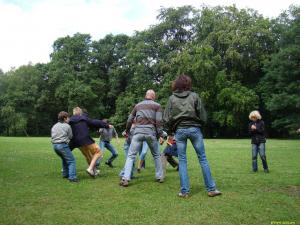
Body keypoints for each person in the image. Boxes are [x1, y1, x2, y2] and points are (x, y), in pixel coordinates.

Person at [163, 74, 221, 198]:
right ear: (188, 84)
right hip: (195, 129)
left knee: (182, 161)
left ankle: (184, 192)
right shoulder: (194, 96)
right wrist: (200, 125)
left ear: (176, 84)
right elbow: (203, 116)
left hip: (180, 131)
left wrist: (170, 132)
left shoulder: (172, 98)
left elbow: (166, 118)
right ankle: (211, 189)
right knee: (203, 158)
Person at [120, 89, 165, 187]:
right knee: (156, 155)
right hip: (150, 133)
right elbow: (159, 122)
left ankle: (126, 178)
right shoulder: (157, 106)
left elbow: (129, 119)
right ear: (154, 96)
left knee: (131, 156)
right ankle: (160, 176)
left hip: (138, 132)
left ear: (146, 95)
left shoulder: (138, 105)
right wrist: (160, 135)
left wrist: (127, 131)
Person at [69, 107, 111, 177]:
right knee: (98, 152)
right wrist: (107, 125)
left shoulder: (70, 120)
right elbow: (95, 122)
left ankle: (94, 171)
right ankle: (90, 169)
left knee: (88, 156)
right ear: (80, 113)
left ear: (73, 113)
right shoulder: (83, 118)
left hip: (77, 142)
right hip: (85, 139)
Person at [51, 111, 78, 182]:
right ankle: (72, 177)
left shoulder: (55, 125)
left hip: (55, 146)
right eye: (68, 118)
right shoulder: (67, 126)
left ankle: (65, 174)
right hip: (62, 145)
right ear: (65, 118)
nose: (69, 119)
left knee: (64, 159)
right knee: (72, 161)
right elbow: (70, 136)